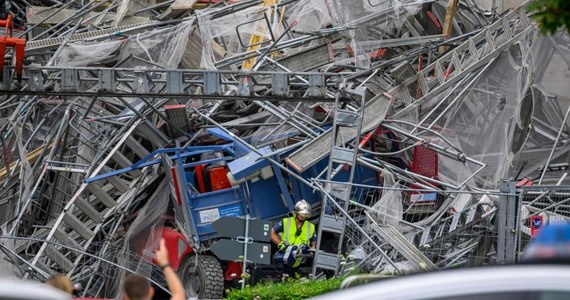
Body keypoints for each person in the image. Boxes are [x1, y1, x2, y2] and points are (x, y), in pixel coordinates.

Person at [271, 199, 316, 277]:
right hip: (285, 255)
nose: (303, 217)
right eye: (301, 215)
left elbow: (314, 243)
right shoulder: (286, 222)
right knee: (285, 278)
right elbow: (272, 232)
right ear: (296, 212)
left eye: (305, 215)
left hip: (300, 259)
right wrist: (280, 244)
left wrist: (310, 252)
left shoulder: (311, 227)